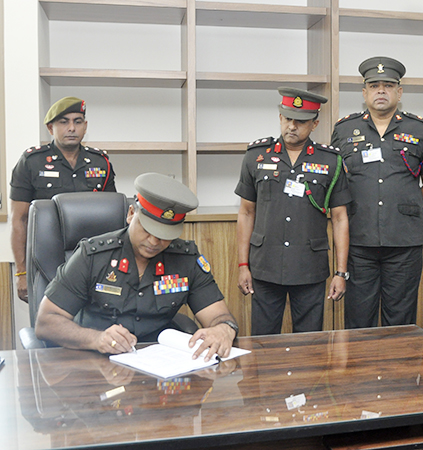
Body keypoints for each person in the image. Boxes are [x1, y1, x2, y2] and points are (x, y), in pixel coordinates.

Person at [34, 173, 238, 361]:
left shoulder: (186, 259)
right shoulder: (93, 256)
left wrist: (224, 329)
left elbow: (219, 316)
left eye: (164, 235)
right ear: (131, 214)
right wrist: (96, 339)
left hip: (161, 365)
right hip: (97, 361)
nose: (154, 241)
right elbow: (46, 322)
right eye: (147, 229)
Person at [331, 56, 423, 329]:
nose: (381, 91)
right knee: (359, 320)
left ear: (399, 92)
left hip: (404, 243)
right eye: (374, 85)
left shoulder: (420, 130)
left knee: (400, 321)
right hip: (359, 241)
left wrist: (405, 206)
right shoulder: (344, 129)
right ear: (364, 92)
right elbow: (336, 183)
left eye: (388, 85)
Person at [236, 87, 351, 335]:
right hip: (265, 265)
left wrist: (341, 273)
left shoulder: (330, 160)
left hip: (309, 267)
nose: (292, 126)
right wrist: (243, 265)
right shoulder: (256, 156)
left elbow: (340, 218)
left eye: (300, 121)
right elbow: (246, 213)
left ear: (314, 124)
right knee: (263, 342)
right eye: (287, 119)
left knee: (309, 344)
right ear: (280, 117)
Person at [10, 97, 116, 302]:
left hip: (95, 262)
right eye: (64, 122)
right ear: (51, 128)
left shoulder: (101, 162)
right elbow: (19, 220)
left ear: (85, 126)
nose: (71, 128)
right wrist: (21, 273)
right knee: (49, 319)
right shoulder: (31, 162)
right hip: (46, 262)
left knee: (97, 318)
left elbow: (112, 218)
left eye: (78, 121)